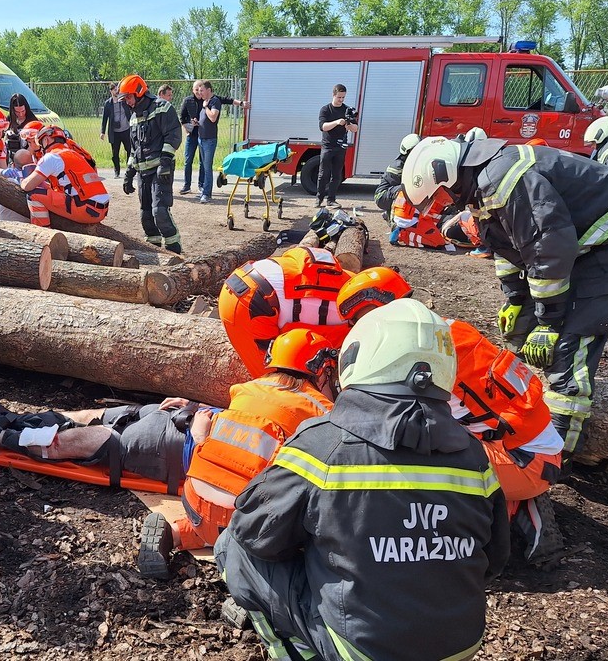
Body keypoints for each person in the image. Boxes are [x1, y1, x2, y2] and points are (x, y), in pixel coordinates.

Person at [215, 298, 510, 661]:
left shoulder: (322, 444)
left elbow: (255, 532)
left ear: (358, 357)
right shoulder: (473, 455)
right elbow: (494, 559)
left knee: (233, 546)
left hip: (366, 651)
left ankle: (297, 653)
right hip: (460, 646)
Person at [402, 135, 608, 463]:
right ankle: (527, 400)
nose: (443, 207)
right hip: (572, 236)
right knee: (523, 324)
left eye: (438, 199)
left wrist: (549, 322)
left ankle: (559, 450)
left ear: (446, 175)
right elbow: (509, 247)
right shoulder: (481, 188)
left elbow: (547, 246)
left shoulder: (505, 180)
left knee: (574, 331)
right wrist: (516, 298)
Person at [337, 267, 565, 562]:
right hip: (531, 449)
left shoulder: (423, 356)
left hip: (523, 459)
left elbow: (413, 419)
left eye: (362, 319)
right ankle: (515, 498)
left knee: (412, 451)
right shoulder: (446, 330)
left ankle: (498, 519)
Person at [138, 328, 334, 579]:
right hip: (247, 521)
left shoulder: (244, 389)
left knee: (213, 523)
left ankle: (173, 533)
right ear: (323, 371)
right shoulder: (322, 411)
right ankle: (250, 577)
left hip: (194, 500)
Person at [217, 246, 351, 379]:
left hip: (244, 279)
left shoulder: (351, 284)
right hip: (252, 302)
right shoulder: (358, 313)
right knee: (276, 381)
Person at [120, 74, 184, 253]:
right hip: (143, 172)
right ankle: (153, 249)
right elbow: (134, 149)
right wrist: (129, 174)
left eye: (128, 97)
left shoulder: (162, 107)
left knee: (160, 212)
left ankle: (174, 249)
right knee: (146, 215)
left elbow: (173, 135)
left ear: (139, 93)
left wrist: (164, 163)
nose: (127, 102)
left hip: (160, 170)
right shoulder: (134, 117)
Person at [20, 125, 110, 227]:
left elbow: (27, 186)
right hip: (101, 208)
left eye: (41, 143)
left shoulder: (51, 156)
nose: (41, 147)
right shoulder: (73, 153)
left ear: (46, 140)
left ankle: (43, 233)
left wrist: (21, 181)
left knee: (33, 194)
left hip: (85, 209)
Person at [179, 81, 245, 196]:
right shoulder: (188, 101)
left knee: (203, 164)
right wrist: (189, 126)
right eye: (197, 90)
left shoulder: (210, 100)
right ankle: (187, 185)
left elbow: (226, 101)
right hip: (193, 135)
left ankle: (202, 186)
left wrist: (240, 103)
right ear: (193, 90)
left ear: (206, 90)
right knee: (188, 160)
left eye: (201, 90)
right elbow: (182, 117)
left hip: (206, 136)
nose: (199, 93)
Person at [316, 83, 358, 209]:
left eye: (343, 97)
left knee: (337, 174)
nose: (341, 100)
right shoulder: (325, 109)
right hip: (328, 146)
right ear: (333, 95)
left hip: (341, 147)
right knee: (323, 174)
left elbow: (355, 128)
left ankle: (331, 199)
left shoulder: (346, 109)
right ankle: (319, 198)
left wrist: (349, 126)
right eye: (339, 97)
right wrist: (336, 122)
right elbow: (322, 127)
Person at [373, 133, 420, 221]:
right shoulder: (397, 166)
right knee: (407, 189)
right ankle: (393, 219)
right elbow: (395, 189)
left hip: (390, 193)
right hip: (382, 196)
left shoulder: (412, 163)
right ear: (408, 151)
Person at [100, 82, 132, 179]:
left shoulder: (124, 100)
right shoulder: (108, 103)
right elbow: (104, 118)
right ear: (111, 91)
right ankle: (117, 172)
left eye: (118, 89)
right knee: (115, 154)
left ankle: (129, 171)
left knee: (130, 150)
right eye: (115, 89)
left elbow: (131, 109)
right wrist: (102, 132)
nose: (117, 91)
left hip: (126, 129)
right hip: (114, 132)